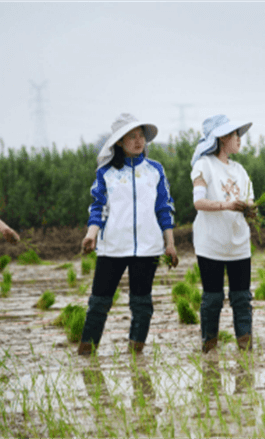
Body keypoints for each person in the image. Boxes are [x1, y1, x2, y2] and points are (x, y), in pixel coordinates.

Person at [79, 113, 178, 356]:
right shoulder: (106, 173)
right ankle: (86, 354)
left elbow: (164, 209)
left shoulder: (155, 170)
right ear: (119, 143)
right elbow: (98, 209)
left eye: (141, 136)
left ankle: (136, 356)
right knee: (99, 303)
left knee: (142, 304)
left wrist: (171, 244)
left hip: (148, 249)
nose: (138, 141)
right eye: (131, 137)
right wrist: (91, 235)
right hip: (112, 248)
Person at [191, 114, 256, 353]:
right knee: (213, 298)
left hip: (239, 244)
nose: (239, 139)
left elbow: (250, 202)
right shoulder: (204, 165)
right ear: (222, 138)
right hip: (211, 243)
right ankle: (209, 346)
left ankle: (245, 345)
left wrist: (250, 210)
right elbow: (198, 202)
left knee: (242, 297)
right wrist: (227, 205)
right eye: (235, 134)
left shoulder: (240, 170)